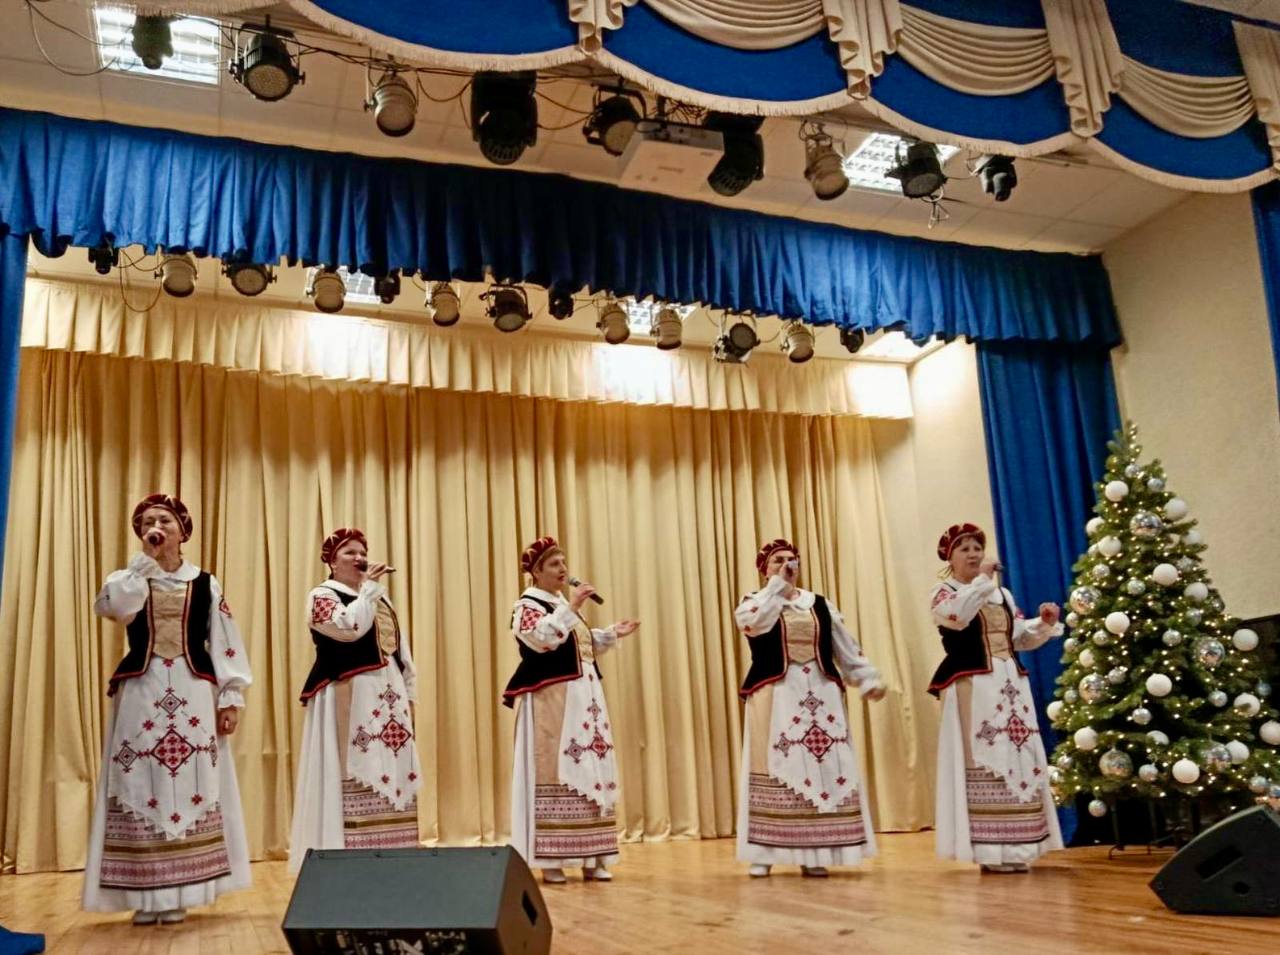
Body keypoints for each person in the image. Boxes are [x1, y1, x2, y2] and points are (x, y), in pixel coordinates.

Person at [83, 494, 252, 924]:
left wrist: (231, 695)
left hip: (194, 690)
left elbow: (225, 638)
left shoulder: (205, 583)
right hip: (142, 688)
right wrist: (142, 567)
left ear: (182, 531)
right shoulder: (129, 578)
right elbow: (116, 610)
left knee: (191, 780)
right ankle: (144, 893)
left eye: (164, 520)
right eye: (146, 522)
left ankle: (183, 891)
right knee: (141, 780)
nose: (154, 527)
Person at [734, 538, 885, 878]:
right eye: (777, 560)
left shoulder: (819, 604)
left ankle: (816, 851)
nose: (787, 564)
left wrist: (867, 678)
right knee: (775, 765)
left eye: (791, 559)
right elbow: (754, 625)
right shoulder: (754, 601)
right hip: (776, 693)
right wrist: (777, 588)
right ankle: (765, 851)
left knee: (822, 768)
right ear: (764, 569)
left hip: (820, 691)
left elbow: (844, 646)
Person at [928, 523, 1063, 872]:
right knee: (984, 754)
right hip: (974, 685)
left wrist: (1043, 624)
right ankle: (990, 848)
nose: (974, 554)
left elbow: (1017, 637)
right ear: (950, 558)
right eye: (965, 549)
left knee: (1017, 753)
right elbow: (957, 617)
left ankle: (1022, 844)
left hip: (1010, 683)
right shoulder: (944, 593)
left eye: (977, 548)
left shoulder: (1002, 595)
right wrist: (982, 582)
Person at [503, 536, 638, 885]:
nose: (563, 569)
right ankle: (553, 858)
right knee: (555, 767)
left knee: (591, 767)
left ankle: (593, 855)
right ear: (536, 572)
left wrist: (610, 634)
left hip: (585, 698)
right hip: (553, 699)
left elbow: (578, 645)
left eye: (563, 562)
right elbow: (542, 640)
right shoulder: (527, 605)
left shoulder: (562, 605)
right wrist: (572, 606)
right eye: (554, 564)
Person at [289, 528, 420, 869]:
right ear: (332, 562)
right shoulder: (322, 596)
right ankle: (349, 853)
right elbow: (349, 629)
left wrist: (409, 692)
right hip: (351, 690)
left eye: (362, 551)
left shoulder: (378, 598)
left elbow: (398, 648)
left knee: (391, 765)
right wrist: (370, 591)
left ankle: (393, 851)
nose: (360, 557)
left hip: (388, 692)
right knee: (357, 763)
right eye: (350, 552)